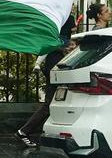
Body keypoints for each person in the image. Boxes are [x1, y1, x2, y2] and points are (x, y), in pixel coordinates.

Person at [16, 16, 77, 148]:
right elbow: (47, 46)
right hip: (55, 69)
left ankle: (56, 132)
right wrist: (38, 63)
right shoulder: (61, 35)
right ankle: (25, 131)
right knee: (50, 105)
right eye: (73, 24)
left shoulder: (61, 35)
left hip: (55, 68)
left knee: (57, 103)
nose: (75, 25)